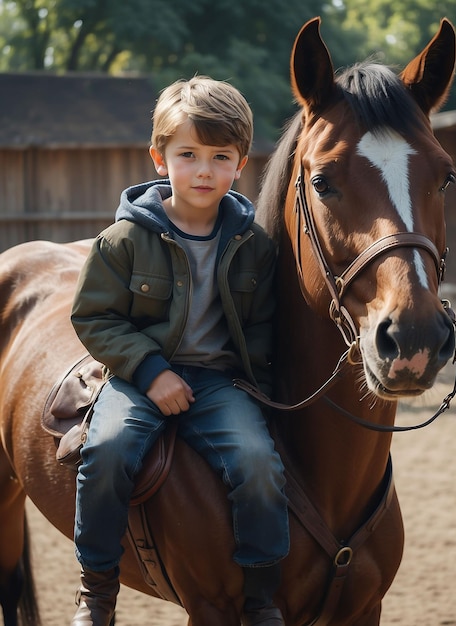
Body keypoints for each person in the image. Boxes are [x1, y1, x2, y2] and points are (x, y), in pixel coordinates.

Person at [69, 75, 289, 626]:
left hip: (221, 382)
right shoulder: (123, 240)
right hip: (141, 374)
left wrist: (260, 389)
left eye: (221, 156)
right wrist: (149, 371)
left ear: (241, 164)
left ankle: (261, 595)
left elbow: (262, 324)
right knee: (109, 450)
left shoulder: (253, 246)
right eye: (188, 154)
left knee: (259, 463)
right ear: (159, 158)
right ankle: (96, 586)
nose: (204, 170)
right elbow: (93, 317)